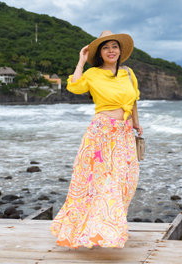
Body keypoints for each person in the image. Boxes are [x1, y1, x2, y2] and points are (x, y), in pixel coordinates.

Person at [50, 30, 143, 249]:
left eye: (114, 46)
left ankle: (106, 228)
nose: (111, 51)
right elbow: (74, 86)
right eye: (105, 47)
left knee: (124, 181)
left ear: (120, 50)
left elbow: (134, 100)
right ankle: (99, 231)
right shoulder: (92, 74)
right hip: (101, 134)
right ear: (99, 53)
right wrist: (81, 61)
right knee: (96, 182)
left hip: (124, 133)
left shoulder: (128, 73)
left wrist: (136, 122)